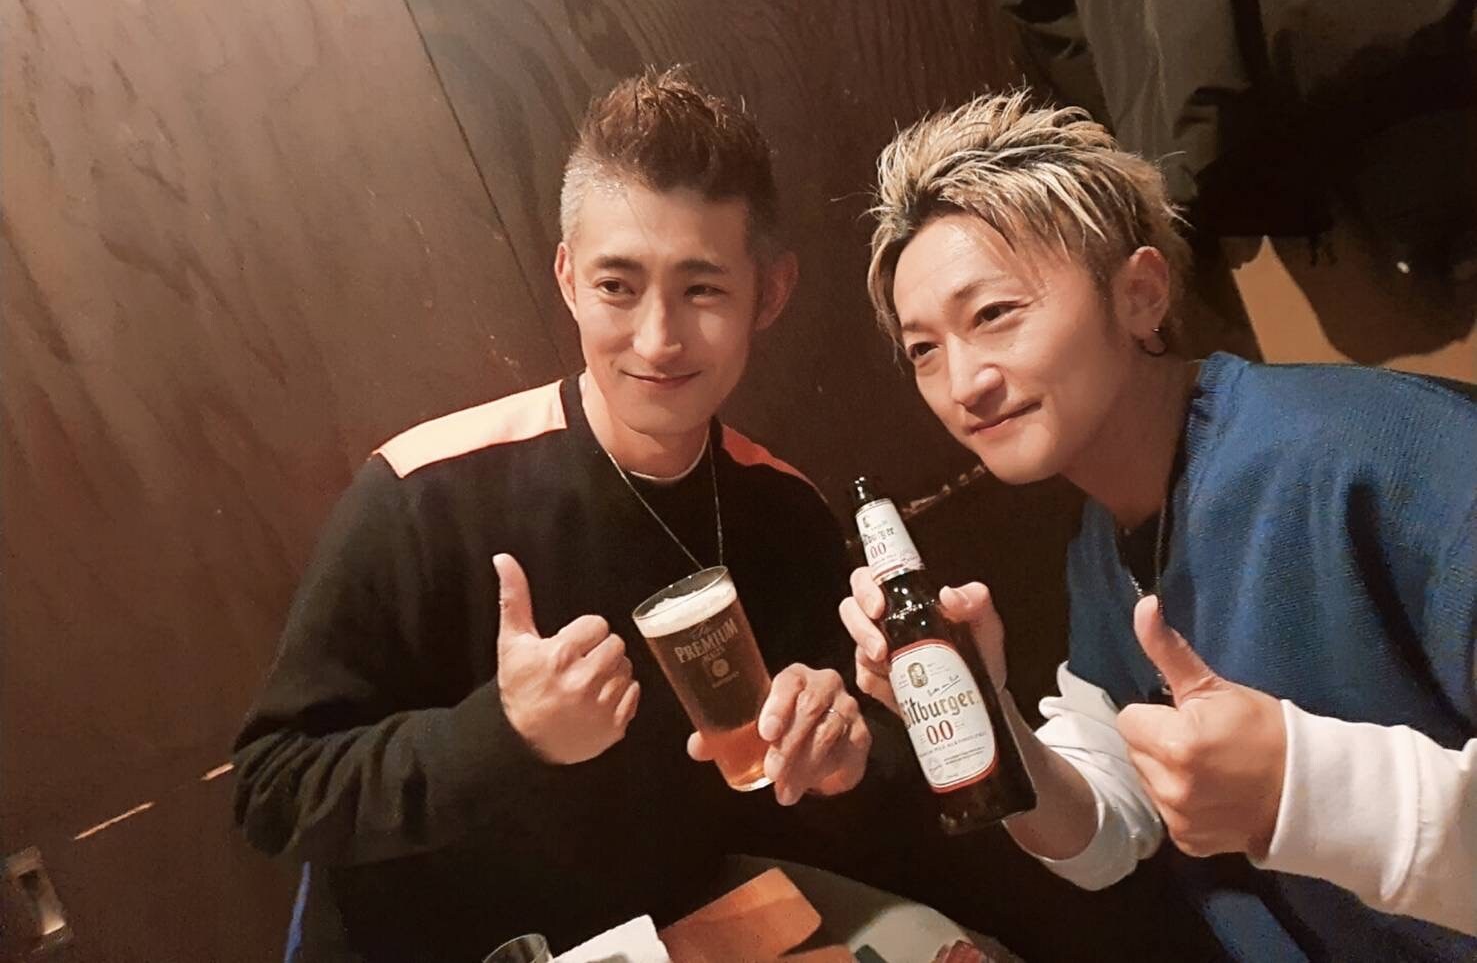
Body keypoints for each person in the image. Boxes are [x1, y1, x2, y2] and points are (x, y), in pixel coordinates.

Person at [233, 69, 877, 961]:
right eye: (618, 286)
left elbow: (820, 775)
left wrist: (840, 754)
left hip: (678, 934)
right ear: (569, 279)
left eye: (701, 290)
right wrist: (503, 733)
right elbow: (272, 789)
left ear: (768, 293)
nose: (657, 339)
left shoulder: (786, 513)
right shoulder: (423, 492)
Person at [840, 91, 1476, 960]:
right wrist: (981, 704)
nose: (962, 383)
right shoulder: (1102, 551)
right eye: (923, 349)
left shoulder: (1386, 459)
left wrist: (1299, 789)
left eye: (993, 313)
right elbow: (1103, 834)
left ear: (1139, 294)